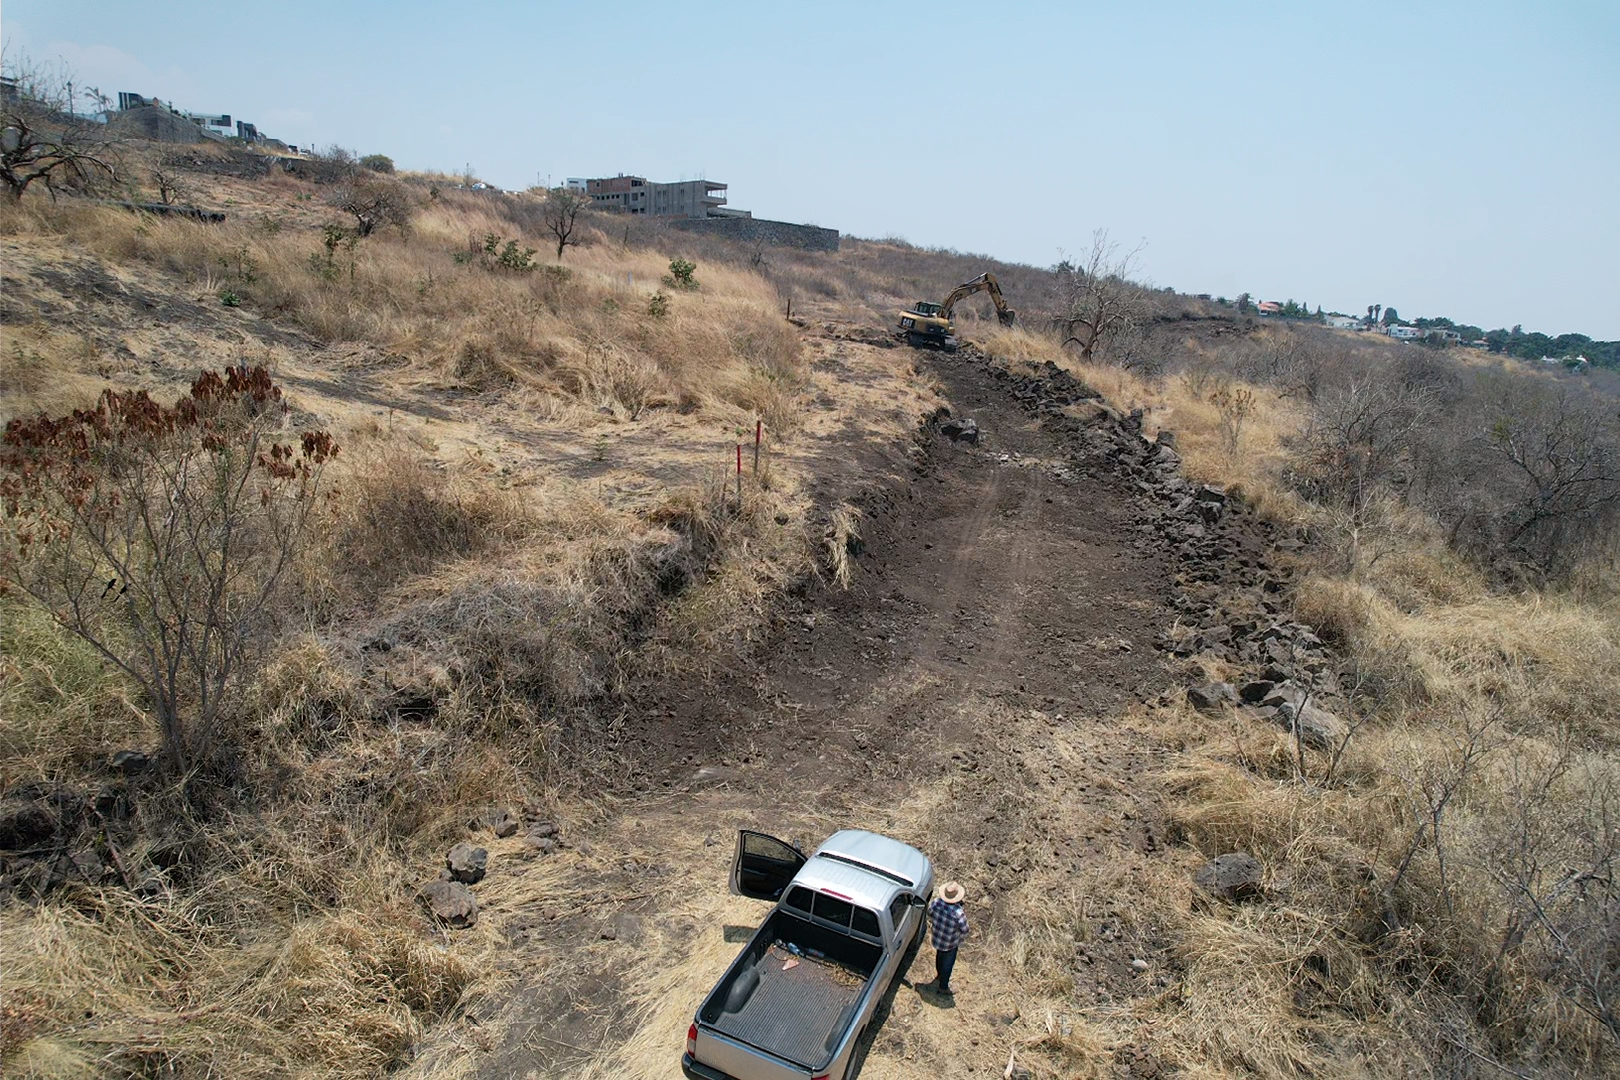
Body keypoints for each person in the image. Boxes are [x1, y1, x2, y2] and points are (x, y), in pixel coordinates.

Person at [928, 881, 969, 996]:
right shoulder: (958, 913)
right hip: (950, 943)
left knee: (939, 956)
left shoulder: (936, 903)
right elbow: (965, 930)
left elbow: (930, 913)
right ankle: (943, 987)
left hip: (937, 938)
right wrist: (960, 938)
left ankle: (939, 975)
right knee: (948, 963)